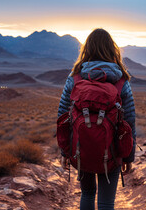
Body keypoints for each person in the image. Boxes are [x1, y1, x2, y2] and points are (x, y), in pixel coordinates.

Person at [57, 28, 136, 210]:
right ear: (112, 49)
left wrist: (64, 151)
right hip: (113, 150)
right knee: (106, 202)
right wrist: (128, 156)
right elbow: (130, 121)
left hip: (80, 148)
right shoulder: (121, 81)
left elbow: (62, 116)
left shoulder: (74, 78)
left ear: (86, 49)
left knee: (87, 194)